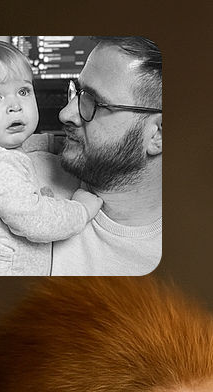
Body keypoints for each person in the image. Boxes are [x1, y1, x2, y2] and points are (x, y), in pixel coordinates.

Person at [0, 39, 102, 276]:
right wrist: (81, 210)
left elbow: (18, 148)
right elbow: (34, 220)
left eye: (23, 91)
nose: (15, 105)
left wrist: (54, 143)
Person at [48, 37, 162, 276]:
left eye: (94, 103)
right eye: (76, 93)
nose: (66, 114)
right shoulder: (17, 177)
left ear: (158, 134)